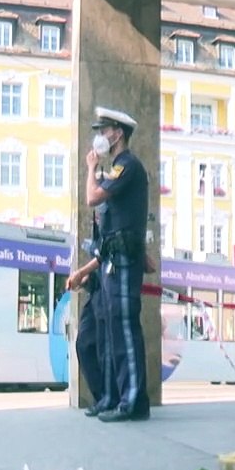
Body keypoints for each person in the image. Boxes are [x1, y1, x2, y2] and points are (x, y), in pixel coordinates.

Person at [68, 106, 151, 422]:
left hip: (123, 260)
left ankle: (133, 402)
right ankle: (115, 397)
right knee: (112, 333)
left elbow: (92, 198)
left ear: (118, 133)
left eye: (104, 131)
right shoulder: (118, 167)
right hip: (112, 260)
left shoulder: (126, 166)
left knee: (126, 330)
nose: (100, 136)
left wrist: (91, 167)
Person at [68, 203, 111, 417]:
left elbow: (106, 256)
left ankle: (108, 398)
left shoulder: (114, 221)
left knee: (104, 349)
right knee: (84, 344)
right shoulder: (97, 229)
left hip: (108, 293)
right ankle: (101, 397)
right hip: (95, 292)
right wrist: (84, 280)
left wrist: (80, 274)